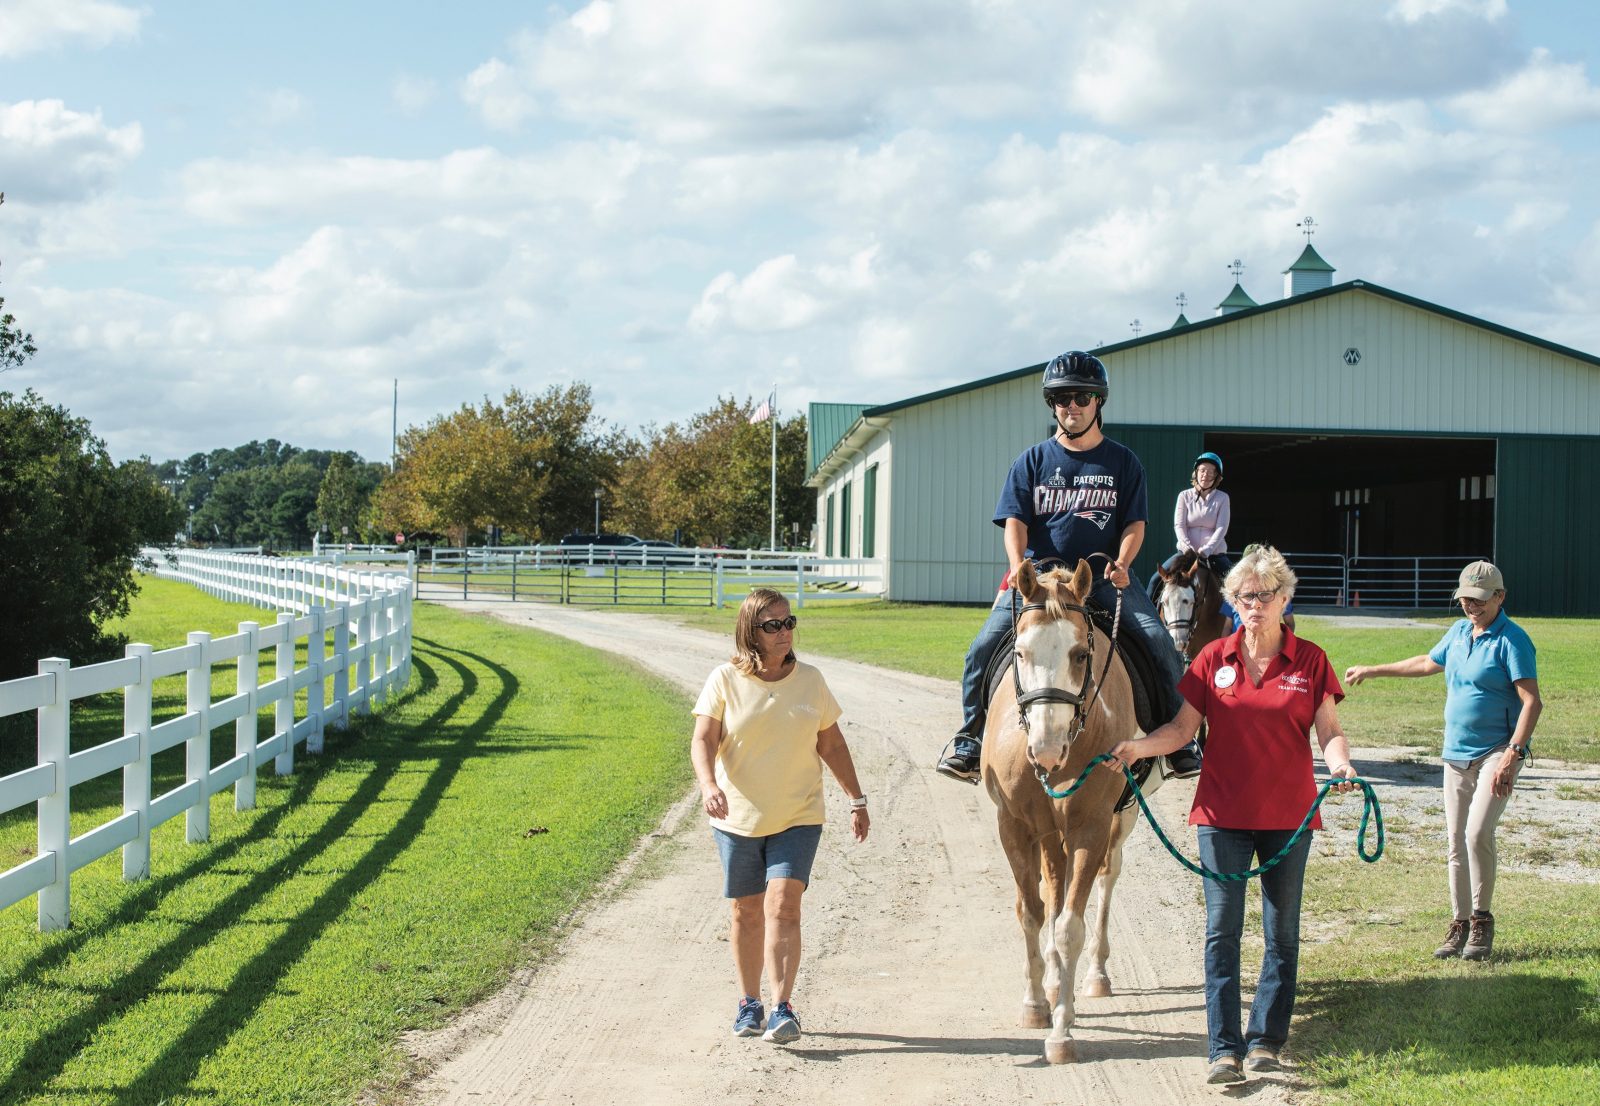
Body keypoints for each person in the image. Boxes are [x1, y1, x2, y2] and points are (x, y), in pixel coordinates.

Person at [1104, 545, 1358, 1085]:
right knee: (1222, 930)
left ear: (1285, 599)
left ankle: (1266, 1039)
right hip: (1221, 815)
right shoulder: (1212, 658)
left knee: (1281, 932)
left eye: (1267, 595)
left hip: (1289, 817)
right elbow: (1181, 731)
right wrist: (1136, 748)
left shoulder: (1310, 660)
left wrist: (1341, 767)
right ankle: (1224, 1048)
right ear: (1233, 602)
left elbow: (1329, 731)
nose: (1256, 605)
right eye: (1246, 596)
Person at [938, 350, 1199, 783]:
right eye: (1061, 398)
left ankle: (1177, 743)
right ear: (1052, 405)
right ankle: (970, 739)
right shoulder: (1031, 461)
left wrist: (1123, 563)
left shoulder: (1123, 462)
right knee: (983, 647)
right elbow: (1015, 523)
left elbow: (1134, 524)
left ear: (1099, 401)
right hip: (1040, 583)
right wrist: (1018, 567)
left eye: (1081, 396)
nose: (1071, 406)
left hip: (1102, 577)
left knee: (1157, 642)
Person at [690, 588, 870, 1044]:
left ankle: (782, 1007)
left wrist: (857, 799)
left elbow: (830, 745)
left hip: (799, 814)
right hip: (737, 818)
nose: (785, 632)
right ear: (751, 631)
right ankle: (749, 1002)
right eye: (773, 625)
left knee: (785, 905)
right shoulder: (724, 679)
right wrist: (709, 785)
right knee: (746, 912)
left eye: (789, 623)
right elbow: (703, 740)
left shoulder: (810, 679)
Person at [1344, 560, 1539, 963]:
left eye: (1480, 600)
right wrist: (1374, 670)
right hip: (1455, 755)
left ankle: (1482, 921)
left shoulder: (1513, 640)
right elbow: (1427, 663)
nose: (1471, 606)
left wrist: (1512, 754)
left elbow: (1532, 702)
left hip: (1495, 754)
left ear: (1500, 597)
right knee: (1455, 842)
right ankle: (1459, 924)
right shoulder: (1459, 632)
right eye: (1466, 598)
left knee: (1476, 834)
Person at [1148, 452, 1233, 598]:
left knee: (1237, 583)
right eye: (1202, 470)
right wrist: (1187, 547)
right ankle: (1146, 618)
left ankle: (1238, 620)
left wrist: (1207, 549)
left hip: (1213, 554)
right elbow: (1179, 525)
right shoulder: (1184, 496)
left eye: (1211, 471)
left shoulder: (1223, 498)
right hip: (1186, 553)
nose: (1206, 474)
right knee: (1155, 580)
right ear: (1196, 473)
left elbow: (1221, 528)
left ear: (1217, 477)